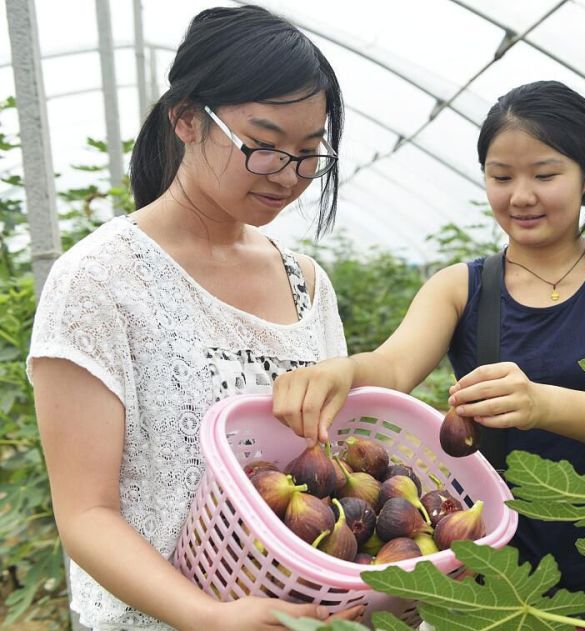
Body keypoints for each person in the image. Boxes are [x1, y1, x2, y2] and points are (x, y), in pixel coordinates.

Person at [272, 80, 585, 601]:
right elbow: (394, 366)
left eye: (545, 174)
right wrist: (343, 371)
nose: (521, 195)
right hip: (479, 570)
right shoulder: (461, 286)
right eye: (501, 176)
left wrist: (541, 404)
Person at [28, 6, 363, 629]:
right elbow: (86, 515)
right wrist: (209, 616)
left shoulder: (307, 284)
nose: (289, 175)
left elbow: (324, 464)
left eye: (309, 152)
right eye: (263, 146)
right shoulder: (101, 281)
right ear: (186, 119)